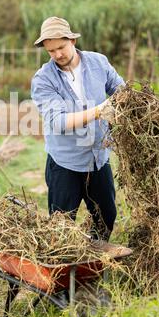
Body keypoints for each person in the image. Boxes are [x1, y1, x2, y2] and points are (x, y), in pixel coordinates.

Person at [31, 17, 125, 240]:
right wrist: (99, 111)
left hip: (98, 158)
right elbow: (58, 122)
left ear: (72, 40)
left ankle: (92, 267)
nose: (57, 55)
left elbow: (122, 90)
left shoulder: (98, 63)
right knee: (61, 228)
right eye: (51, 51)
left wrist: (126, 104)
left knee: (106, 217)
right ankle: (64, 270)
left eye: (61, 47)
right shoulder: (43, 79)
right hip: (65, 163)